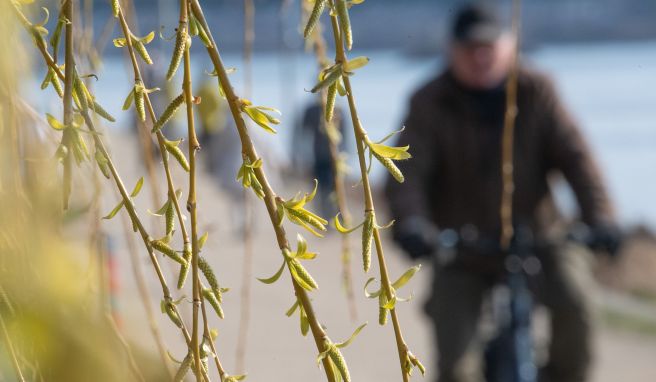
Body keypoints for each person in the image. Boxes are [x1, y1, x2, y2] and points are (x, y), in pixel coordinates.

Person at [384, 3, 622, 382]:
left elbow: (578, 160)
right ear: (451, 50)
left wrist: (602, 218)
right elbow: (406, 173)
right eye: (469, 49)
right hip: (461, 248)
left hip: (540, 239)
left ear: (510, 47)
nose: (480, 57)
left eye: (489, 47)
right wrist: (413, 224)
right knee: (456, 365)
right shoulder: (428, 102)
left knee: (577, 304)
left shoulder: (537, 91)